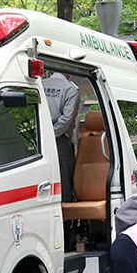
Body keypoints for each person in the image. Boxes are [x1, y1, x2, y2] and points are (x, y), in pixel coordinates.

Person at [44, 72, 80, 249]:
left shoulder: (39, 84)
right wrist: (51, 134)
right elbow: (67, 119)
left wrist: (40, 135)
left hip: (35, 139)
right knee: (64, 188)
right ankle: (65, 240)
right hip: (59, 142)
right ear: (68, 73)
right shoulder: (70, 89)